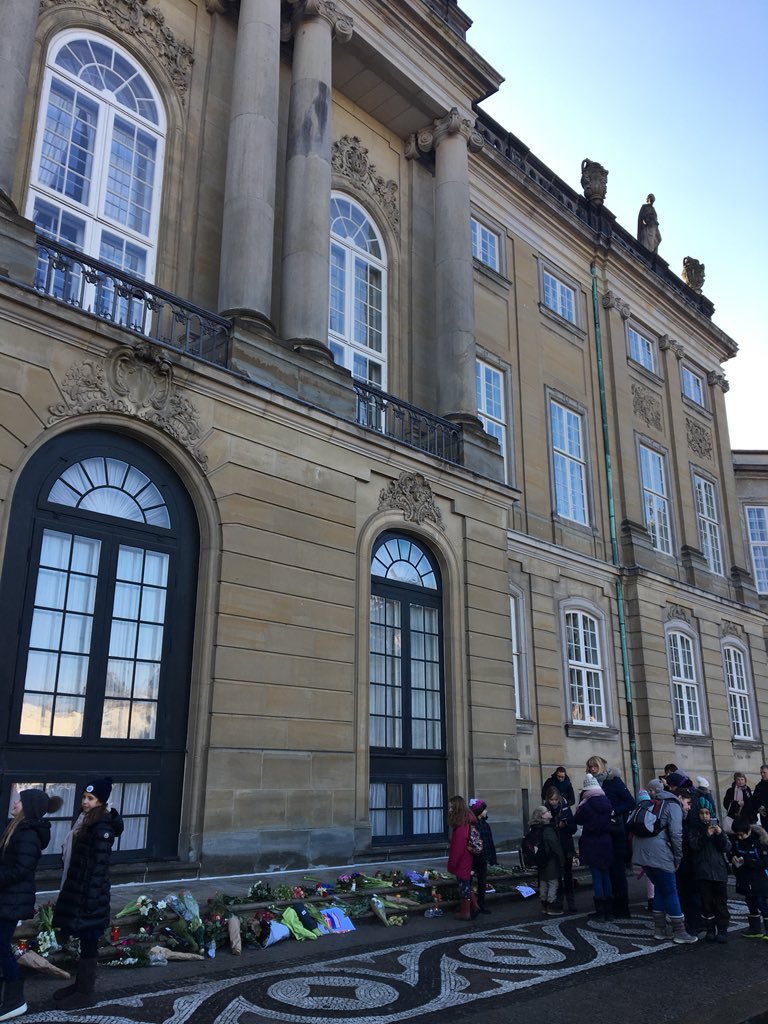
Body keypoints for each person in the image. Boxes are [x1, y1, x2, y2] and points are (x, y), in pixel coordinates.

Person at [52, 778, 123, 1009]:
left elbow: (98, 867)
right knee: (85, 940)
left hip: (91, 896)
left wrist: (89, 901)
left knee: (90, 940)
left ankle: (86, 992)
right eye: (84, 797)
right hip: (82, 891)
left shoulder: (101, 826)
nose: (85, 801)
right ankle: (80, 985)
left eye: (90, 798)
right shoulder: (86, 821)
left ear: (101, 801)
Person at [0, 789, 63, 1022]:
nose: (14, 803)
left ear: (27, 808)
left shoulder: (27, 834)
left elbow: (21, 870)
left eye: (19, 801)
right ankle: (10, 999)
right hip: (8, 897)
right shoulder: (17, 828)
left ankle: (15, 1000)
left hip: (12, 899)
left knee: (3, 948)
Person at [631, 778, 696, 943]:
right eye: (688, 803)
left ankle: (659, 929)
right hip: (660, 854)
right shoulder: (673, 805)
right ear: (680, 798)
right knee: (671, 892)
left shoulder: (653, 803)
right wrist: (677, 857)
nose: (688, 807)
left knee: (660, 889)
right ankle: (680, 932)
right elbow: (676, 834)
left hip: (642, 853)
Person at [585, 756, 634, 917]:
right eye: (590, 767)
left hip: (615, 831)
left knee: (617, 870)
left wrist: (613, 811)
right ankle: (607, 907)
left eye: (594, 766)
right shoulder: (590, 784)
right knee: (604, 870)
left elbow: (630, 802)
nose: (592, 769)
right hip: (600, 833)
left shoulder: (613, 781)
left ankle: (622, 908)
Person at [686, 805, 730, 943]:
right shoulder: (695, 829)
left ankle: (722, 929)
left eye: (707, 813)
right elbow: (695, 846)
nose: (704, 816)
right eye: (701, 813)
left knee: (721, 903)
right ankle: (710, 929)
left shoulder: (718, 827)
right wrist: (706, 835)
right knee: (706, 903)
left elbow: (727, 847)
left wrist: (719, 834)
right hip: (703, 872)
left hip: (718, 870)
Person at [573, 773, 614, 921]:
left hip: (592, 842)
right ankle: (609, 910)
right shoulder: (607, 802)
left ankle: (600, 911)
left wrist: (580, 803)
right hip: (606, 841)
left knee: (597, 876)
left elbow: (577, 819)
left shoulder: (586, 805)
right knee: (606, 875)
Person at [729, 816, 768, 938]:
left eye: (742, 835)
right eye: (737, 835)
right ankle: (755, 929)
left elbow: (764, 862)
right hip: (744, 878)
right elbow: (732, 851)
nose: (740, 838)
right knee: (750, 901)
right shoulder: (735, 841)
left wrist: (747, 861)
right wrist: (733, 858)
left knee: (761, 902)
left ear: (749, 831)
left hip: (758, 879)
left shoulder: (760, 842)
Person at [544, 786, 577, 911]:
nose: (553, 802)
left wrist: (564, 825)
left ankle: (570, 900)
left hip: (566, 846)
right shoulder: (545, 810)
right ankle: (558, 900)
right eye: (551, 800)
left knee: (568, 875)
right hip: (553, 848)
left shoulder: (565, 808)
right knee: (556, 875)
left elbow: (573, 827)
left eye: (555, 799)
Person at [527, 806, 564, 916]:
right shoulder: (547, 828)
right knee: (553, 882)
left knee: (543, 881)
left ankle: (543, 904)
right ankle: (551, 905)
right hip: (550, 858)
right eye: (547, 811)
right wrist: (561, 859)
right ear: (542, 816)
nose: (549, 812)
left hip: (540, 859)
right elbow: (554, 845)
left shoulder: (534, 828)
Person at [447, 795, 478, 922]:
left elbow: (458, 847)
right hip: (466, 858)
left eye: (451, 807)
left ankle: (466, 912)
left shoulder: (461, 825)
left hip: (463, 859)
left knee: (463, 885)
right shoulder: (466, 822)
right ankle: (475, 907)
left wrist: (452, 863)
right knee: (466, 884)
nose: (449, 810)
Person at [468, 798, 497, 915]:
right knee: (468, 882)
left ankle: (481, 903)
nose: (486, 812)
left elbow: (490, 842)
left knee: (482, 882)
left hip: (483, 858)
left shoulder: (485, 825)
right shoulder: (472, 825)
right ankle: (469, 904)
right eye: (484, 810)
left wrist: (492, 857)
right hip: (473, 859)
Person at [748, 765, 768, 831]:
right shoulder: (759, 786)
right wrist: (759, 807)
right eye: (761, 773)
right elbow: (754, 800)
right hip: (765, 816)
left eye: (764, 772)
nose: (762, 774)